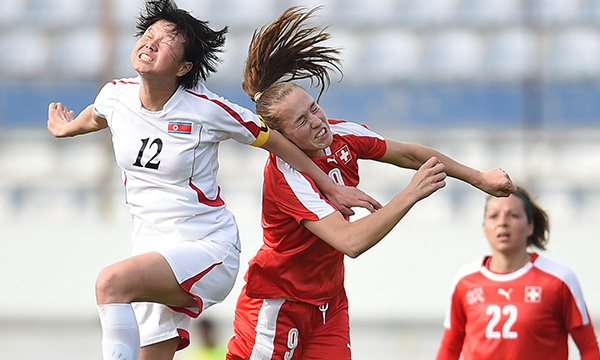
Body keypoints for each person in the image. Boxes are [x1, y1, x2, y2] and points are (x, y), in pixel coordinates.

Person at [46, 1, 380, 360]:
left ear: (184, 67)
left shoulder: (206, 109)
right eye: (148, 34)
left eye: (167, 42)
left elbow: (275, 139)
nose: (151, 42)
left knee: (110, 283)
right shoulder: (115, 95)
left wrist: (327, 184)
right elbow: (96, 117)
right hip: (150, 252)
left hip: (206, 247)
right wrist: (67, 129)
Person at [225, 6, 517, 360]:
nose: (318, 122)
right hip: (279, 304)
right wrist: (409, 194)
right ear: (283, 137)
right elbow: (350, 241)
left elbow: (409, 155)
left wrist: (479, 178)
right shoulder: (287, 176)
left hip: (328, 304)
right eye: (301, 121)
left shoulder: (342, 134)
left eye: (314, 108)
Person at [436, 186, 600, 359]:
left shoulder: (559, 280)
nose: (502, 222)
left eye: (513, 215)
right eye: (493, 216)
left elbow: (588, 347)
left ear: (530, 227)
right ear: (485, 227)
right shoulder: (465, 280)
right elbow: (449, 348)